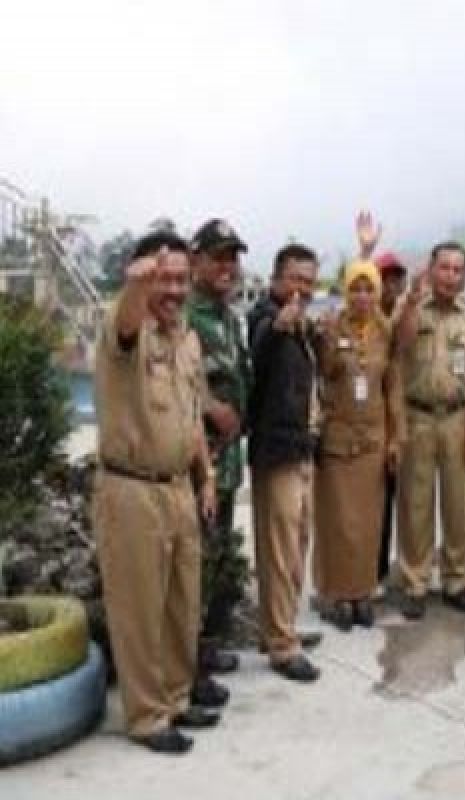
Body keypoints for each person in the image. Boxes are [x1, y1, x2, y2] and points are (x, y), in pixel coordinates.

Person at [94, 231, 219, 754]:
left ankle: (174, 694)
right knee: (140, 609)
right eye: (160, 278)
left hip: (178, 490)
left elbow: (192, 419)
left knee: (179, 604)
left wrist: (206, 476)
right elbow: (125, 325)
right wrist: (135, 290)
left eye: (178, 279)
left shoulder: (185, 338)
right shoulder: (124, 327)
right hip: (132, 491)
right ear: (139, 276)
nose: (171, 289)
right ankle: (146, 717)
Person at [393, 243, 465, 618]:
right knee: (415, 503)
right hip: (417, 417)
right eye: (443, 268)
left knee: (458, 503)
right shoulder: (413, 307)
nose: (450, 276)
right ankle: (415, 582)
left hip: (458, 418)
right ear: (431, 270)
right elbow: (399, 348)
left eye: (456, 269)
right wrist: (411, 303)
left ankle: (456, 579)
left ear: (463, 275)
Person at [312, 261, 405, 631]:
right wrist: (332, 337)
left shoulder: (386, 332)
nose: (363, 297)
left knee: (369, 524)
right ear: (345, 292)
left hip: (373, 442)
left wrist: (397, 438)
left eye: (369, 289)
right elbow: (326, 371)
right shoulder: (331, 327)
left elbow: (393, 389)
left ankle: (363, 592)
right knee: (337, 523)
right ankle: (334, 594)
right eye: (355, 289)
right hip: (338, 441)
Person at [246, 244, 323, 683]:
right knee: (278, 551)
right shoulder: (264, 318)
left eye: (310, 281)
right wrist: (277, 327)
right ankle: (281, 644)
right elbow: (256, 349)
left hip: (301, 450)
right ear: (276, 279)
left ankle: (282, 625)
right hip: (276, 454)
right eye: (295, 279)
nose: (303, 289)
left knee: (297, 547)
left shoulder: (303, 328)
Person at [184, 219, 250, 710]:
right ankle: (188, 668)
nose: (227, 266)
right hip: (193, 466)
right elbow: (170, 375)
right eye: (218, 256)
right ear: (197, 261)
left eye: (233, 257)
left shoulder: (229, 318)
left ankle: (208, 648)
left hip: (225, 467)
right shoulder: (183, 314)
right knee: (194, 568)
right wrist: (210, 407)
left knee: (218, 559)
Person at [350, 211, 412, 587]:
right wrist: (365, 250)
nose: (390, 287)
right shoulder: (370, 320)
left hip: (400, 420)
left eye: (395, 280)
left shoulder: (405, 317)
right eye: (384, 280)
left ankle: (387, 567)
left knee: (398, 500)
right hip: (369, 423)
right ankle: (366, 570)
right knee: (371, 502)